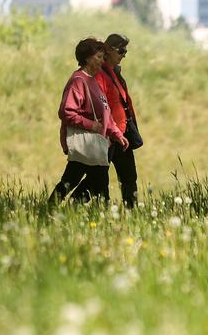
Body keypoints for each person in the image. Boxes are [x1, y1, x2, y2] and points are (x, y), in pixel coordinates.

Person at [49, 37, 127, 203]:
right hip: (86, 143)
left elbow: (105, 112)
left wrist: (116, 133)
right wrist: (93, 126)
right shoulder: (78, 81)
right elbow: (67, 112)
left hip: (97, 143)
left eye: (102, 57)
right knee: (73, 181)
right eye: (98, 57)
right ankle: (51, 208)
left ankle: (60, 209)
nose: (102, 61)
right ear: (87, 58)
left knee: (95, 183)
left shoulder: (93, 80)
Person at [96, 33, 141, 207]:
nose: (124, 55)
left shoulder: (114, 72)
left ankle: (131, 210)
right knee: (99, 177)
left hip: (122, 133)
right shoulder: (100, 74)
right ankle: (100, 208)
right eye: (121, 51)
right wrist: (111, 130)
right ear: (109, 50)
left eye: (125, 51)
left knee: (129, 176)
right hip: (108, 135)